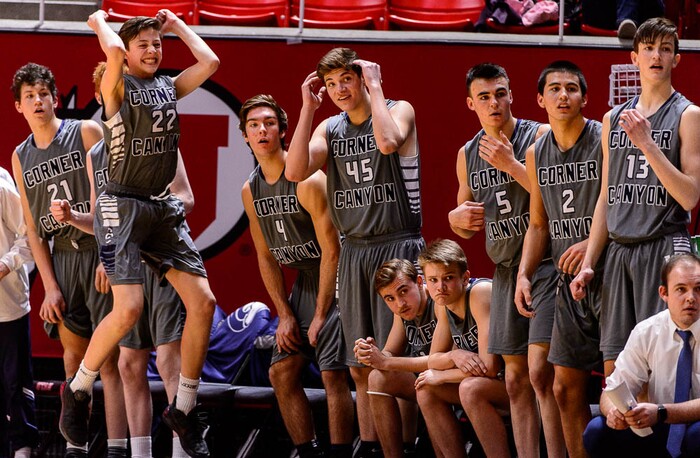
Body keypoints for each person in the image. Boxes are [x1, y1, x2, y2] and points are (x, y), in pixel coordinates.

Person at [60, 10, 220, 457]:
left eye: (157, 44)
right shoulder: (117, 87)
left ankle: (184, 408)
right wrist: (95, 20)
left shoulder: (168, 88)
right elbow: (111, 47)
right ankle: (78, 388)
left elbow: (209, 64)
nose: (152, 50)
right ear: (128, 55)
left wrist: (178, 28)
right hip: (121, 202)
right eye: (144, 45)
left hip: (159, 206)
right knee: (128, 310)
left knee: (204, 302)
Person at [286, 47, 424, 456]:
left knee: (395, 360)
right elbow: (294, 171)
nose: (339, 89)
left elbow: (387, 143)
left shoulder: (399, 109)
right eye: (331, 84)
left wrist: (376, 86)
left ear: (362, 78)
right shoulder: (329, 127)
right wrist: (307, 109)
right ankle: (370, 445)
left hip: (397, 245)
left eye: (346, 79)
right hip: (355, 252)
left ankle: (407, 445)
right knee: (360, 363)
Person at [50, 61, 191, 458]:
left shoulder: (161, 136)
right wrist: (74, 217)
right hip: (127, 263)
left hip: (160, 260)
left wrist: (145, 215)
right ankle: (135, 452)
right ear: (102, 97)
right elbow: (105, 219)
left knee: (168, 361)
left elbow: (188, 198)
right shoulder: (98, 152)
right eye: (115, 91)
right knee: (129, 364)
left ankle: (183, 450)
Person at [570, 17, 700, 378]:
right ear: (634, 58)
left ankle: (663, 434)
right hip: (618, 252)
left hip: (663, 246)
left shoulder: (689, 116)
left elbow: (689, 197)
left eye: (666, 49)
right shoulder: (613, 119)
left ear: (677, 60)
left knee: (660, 365)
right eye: (649, 48)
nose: (656, 55)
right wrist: (589, 262)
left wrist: (647, 144)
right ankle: (621, 436)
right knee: (616, 365)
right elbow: (605, 199)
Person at [10, 62, 128, 458]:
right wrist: (49, 286)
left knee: (108, 361)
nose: (38, 101)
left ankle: (116, 448)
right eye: (30, 96)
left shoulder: (86, 132)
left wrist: (107, 257)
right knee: (73, 360)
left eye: (44, 93)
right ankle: (75, 449)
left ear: (55, 99)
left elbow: (111, 201)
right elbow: (31, 227)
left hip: (97, 252)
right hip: (61, 259)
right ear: (18, 107)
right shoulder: (20, 155)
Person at [448, 62, 563, 458]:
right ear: (470, 104)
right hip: (504, 270)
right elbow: (465, 222)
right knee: (514, 380)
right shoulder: (467, 153)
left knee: (540, 374)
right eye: (484, 97)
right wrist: (455, 219)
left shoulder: (541, 135)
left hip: (546, 264)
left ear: (512, 94)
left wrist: (511, 165)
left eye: (500, 93)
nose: (493, 102)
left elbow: (560, 195)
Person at [240, 94, 354, 458]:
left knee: (333, 373)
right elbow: (265, 255)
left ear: (284, 131)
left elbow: (333, 251)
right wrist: (285, 314)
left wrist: (320, 314)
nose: (262, 130)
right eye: (254, 125)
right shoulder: (250, 190)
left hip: (335, 277)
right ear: (245, 135)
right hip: (303, 285)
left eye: (269, 123)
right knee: (281, 373)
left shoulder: (308, 180)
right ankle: (309, 452)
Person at [515, 60, 603, 458]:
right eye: (554, 88)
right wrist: (523, 274)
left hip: (610, 269)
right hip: (565, 282)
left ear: (585, 96)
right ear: (539, 99)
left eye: (571, 88)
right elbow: (537, 225)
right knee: (564, 387)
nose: (563, 95)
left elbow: (619, 202)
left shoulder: (604, 138)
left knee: (620, 383)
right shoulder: (536, 152)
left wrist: (591, 242)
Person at [583, 253, 700, 457]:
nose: (691, 297)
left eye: (698, 289)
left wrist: (662, 412)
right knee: (597, 430)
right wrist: (614, 412)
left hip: (688, 425)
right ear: (664, 293)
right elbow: (612, 390)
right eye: (681, 289)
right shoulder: (647, 331)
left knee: (697, 435)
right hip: (659, 425)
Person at [411, 239, 509, 457]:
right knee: (425, 390)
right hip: (487, 383)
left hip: (517, 387)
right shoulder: (443, 303)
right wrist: (455, 354)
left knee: (469, 388)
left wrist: (442, 375)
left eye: (448, 278)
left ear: (465, 278)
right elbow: (433, 359)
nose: (440, 287)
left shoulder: (479, 293)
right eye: (433, 280)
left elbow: (490, 367)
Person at [354, 258, 436, 458]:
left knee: (426, 384)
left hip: (449, 377)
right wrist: (371, 354)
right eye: (389, 298)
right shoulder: (402, 312)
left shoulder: (438, 302)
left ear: (419, 281)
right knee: (376, 377)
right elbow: (390, 351)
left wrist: (385, 360)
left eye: (403, 291)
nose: (399, 303)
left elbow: (442, 360)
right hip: (425, 380)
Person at [0, 166, 37, 458]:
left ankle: (23, 450)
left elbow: (30, 236)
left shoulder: (1, 185)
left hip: (7, 307)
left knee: (15, 387)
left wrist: (4, 265)